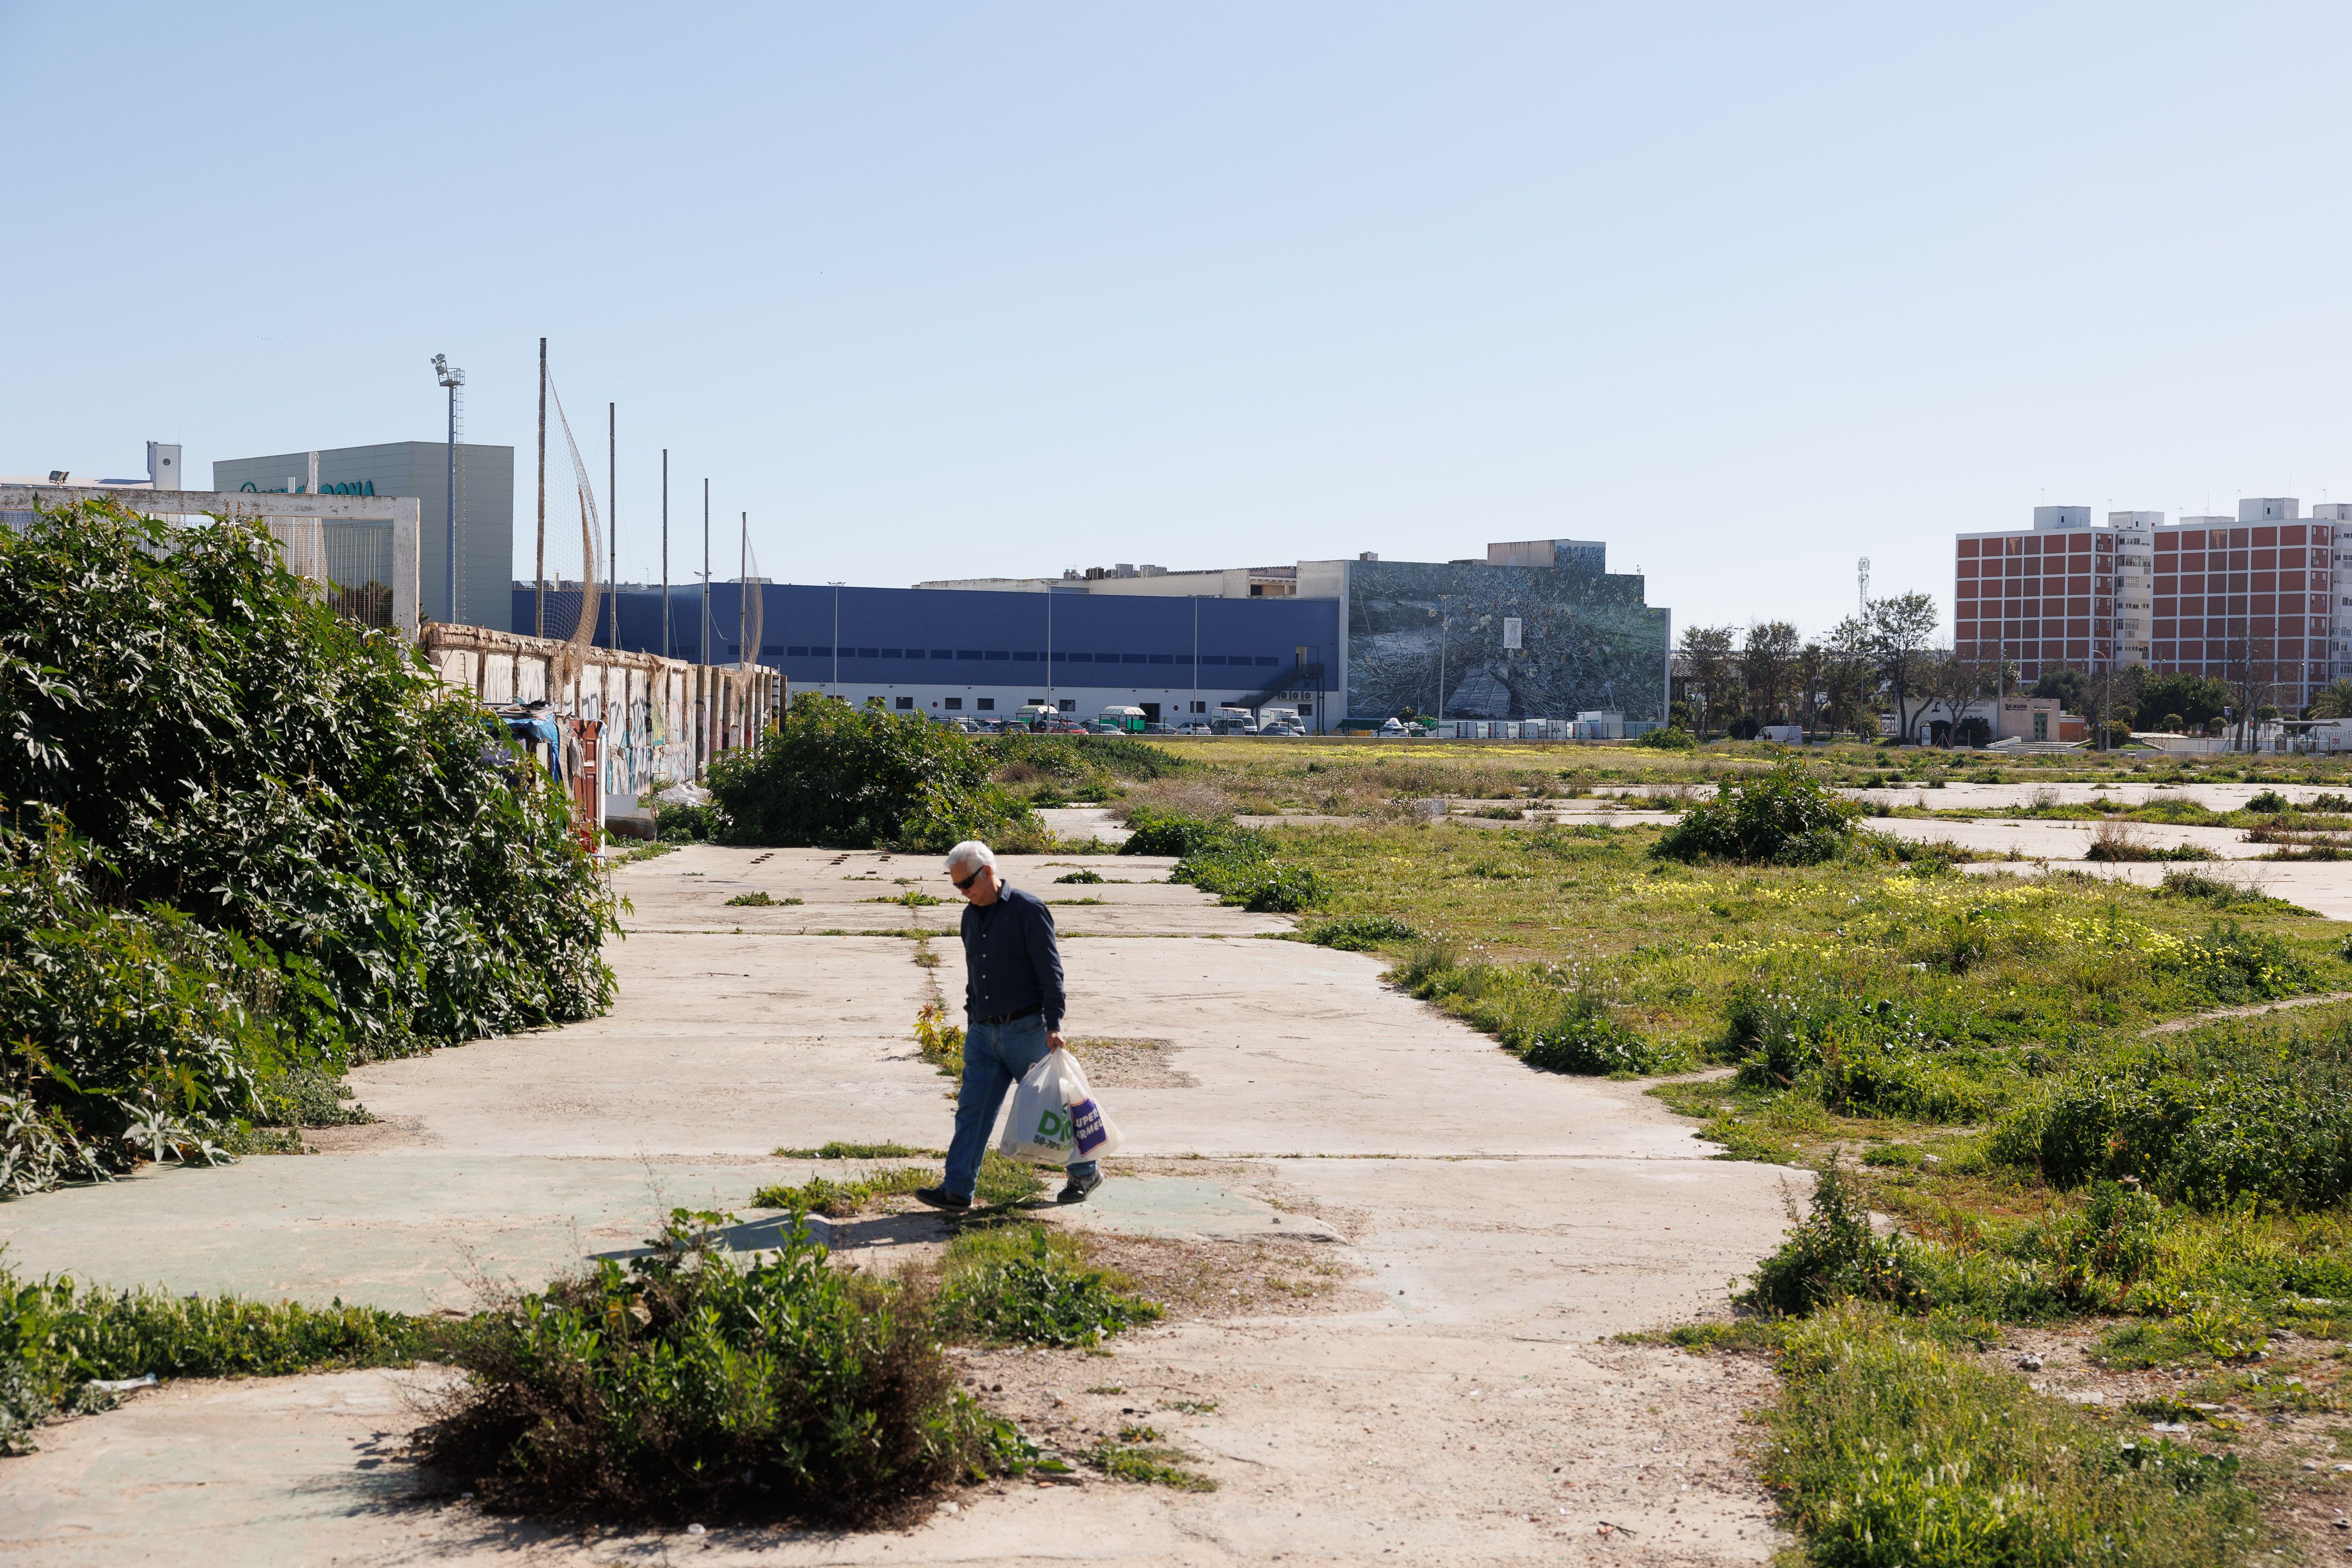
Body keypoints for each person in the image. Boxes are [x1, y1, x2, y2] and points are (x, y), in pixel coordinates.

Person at [915, 840, 1102, 1210]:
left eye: (966, 884)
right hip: (984, 1033)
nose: (963, 894)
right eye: (957, 888)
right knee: (972, 1110)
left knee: (1053, 1106)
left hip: (1026, 1031)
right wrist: (973, 1017)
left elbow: (1051, 971)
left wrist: (1054, 1023)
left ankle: (1085, 1172)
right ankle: (957, 1191)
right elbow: (975, 974)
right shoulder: (971, 916)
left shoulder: (1028, 911)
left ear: (988, 873)